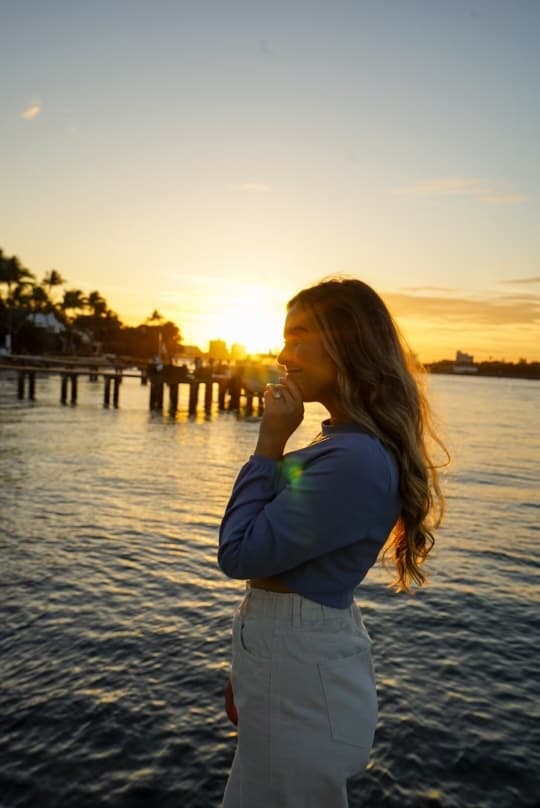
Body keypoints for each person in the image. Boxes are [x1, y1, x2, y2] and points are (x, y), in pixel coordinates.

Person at [218, 277, 446, 807]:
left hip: (296, 666)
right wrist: (251, 664)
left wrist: (270, 442)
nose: (283, 354)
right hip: (289, 657)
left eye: (299, 337)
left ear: (350, 344)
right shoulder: (340, 443)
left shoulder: (352, 459)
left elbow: (239, 553)